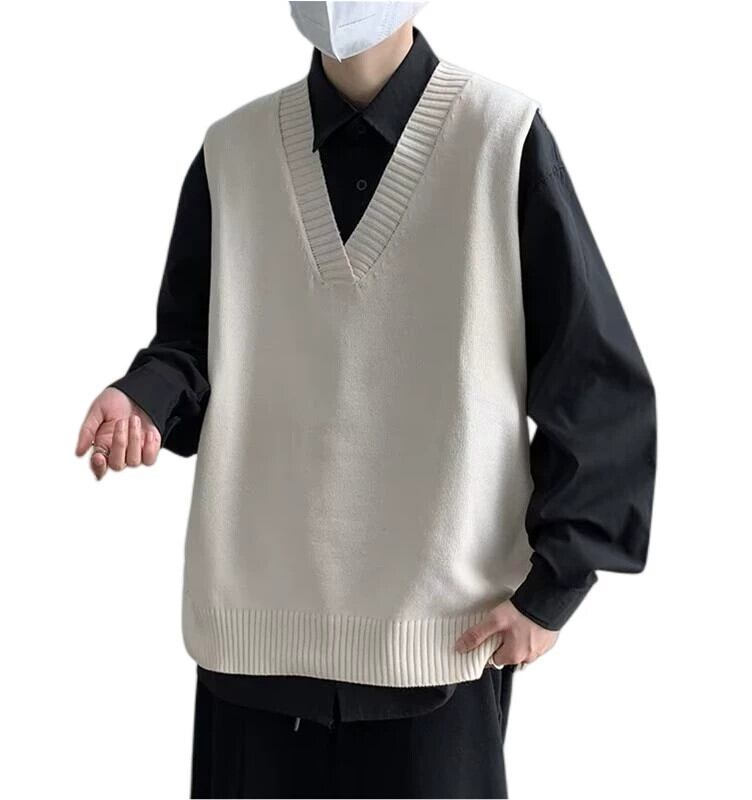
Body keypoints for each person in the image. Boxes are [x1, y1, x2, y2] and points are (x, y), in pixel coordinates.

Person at [75, 2, 657, 797]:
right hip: (253, 647)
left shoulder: (501, 138)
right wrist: (142, 398)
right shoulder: (232, 154)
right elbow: (191, 345)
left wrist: (553, 590)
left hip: (440, 648)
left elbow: (597, 384)